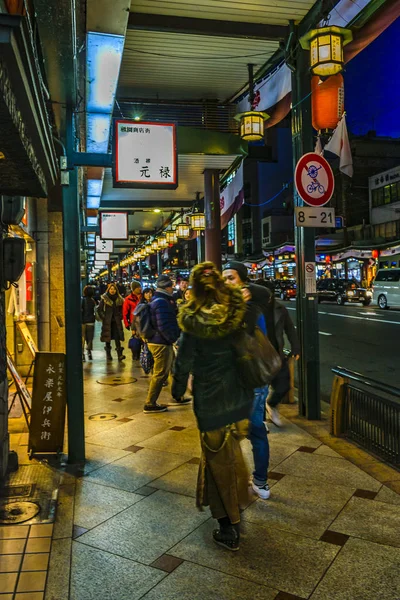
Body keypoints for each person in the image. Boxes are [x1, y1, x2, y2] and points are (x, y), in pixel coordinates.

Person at [173, 262, 255, 552]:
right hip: (239, 397)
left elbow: (182, 363)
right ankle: (241, 499)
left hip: (211, 402)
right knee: (233, 451)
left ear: (193, 289)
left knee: (217, 459)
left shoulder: (193, 322)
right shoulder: (236, 314)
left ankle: (228, 524)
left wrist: (177, 388)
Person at [223, 266, 272, 501]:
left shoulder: (250, 309)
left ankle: (256, 481)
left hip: (249, 379)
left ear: (243, 284)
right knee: (251, 430)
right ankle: (254, 481)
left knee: (249, 431)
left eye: (231, 278)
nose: (226, 282)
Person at [144, 275, 190, 413]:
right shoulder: (161, 302)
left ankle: (178, 395)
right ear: (167, 287)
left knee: (172, 369)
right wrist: (173, 339)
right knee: (160, 374)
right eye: (172, 285)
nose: (173, 288)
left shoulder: (161, 300)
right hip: (160, 342)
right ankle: (150, 403)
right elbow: (163, 325)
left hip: (160, 341)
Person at [257, 279, 300, 427]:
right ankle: (261, 421)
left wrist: (295, 348)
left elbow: (290, 328)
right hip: (258, 356)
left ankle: (272, 404)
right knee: (260, 390)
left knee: (284, 385)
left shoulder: (280, 308)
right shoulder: (251, 310)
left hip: (276, 354)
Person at [98, 283, 126, 362]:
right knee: (108, 338)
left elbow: (122, 309)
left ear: (116, 290)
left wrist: (120, 316)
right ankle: (108, 355)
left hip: (116, 321)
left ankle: (120, 355)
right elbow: (99, 309)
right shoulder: (104, 298)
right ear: (108, 290)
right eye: (111, 289)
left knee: (117, 337)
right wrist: (104, 317)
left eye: (114, 289)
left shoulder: (119, 299)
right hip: (107, 321)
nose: (112, 290)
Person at [123, 282, 142, 360]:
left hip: (143, 320)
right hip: (134, 322)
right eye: (138, 287)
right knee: (136, 338)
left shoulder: (143, 297)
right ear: (134, 289)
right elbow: (125, 313)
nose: (140, 288)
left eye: (140, 287)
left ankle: (142, 353)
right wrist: (127, 324)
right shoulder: (128, 299)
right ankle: (135, 354)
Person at [81, 285, 97, 361]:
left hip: (83, 322)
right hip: (91, 321)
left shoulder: (81, 300)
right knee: (90, 338)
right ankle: (89, 352)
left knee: (82, 338)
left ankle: (82, 354)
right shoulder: (93, 301)